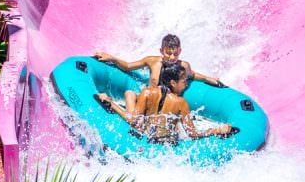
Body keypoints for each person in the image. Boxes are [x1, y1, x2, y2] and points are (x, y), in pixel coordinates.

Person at [96, 62, 234, 142]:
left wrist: (111, 103)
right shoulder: (181, 103)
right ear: (173, 82)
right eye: (184, 81)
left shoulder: (147, 92)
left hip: (145, 138)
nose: (186, 85)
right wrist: (217, 130)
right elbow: (193, 134)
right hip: (166, 145)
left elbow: (133, 120)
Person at [95, 32, 226, 114]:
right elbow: (129, 66)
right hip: (148, 102)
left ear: (180, 51)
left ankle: (128, 117)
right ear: (161, 50)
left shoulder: (183, 66)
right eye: (168, 53)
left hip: (167, 107)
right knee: (130, 94)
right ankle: (131, 118)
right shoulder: (152, 61)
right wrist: (112, 58)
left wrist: (209, 79)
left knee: (130, 95)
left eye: (175, 53)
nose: (172, 57)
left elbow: (193, 75)